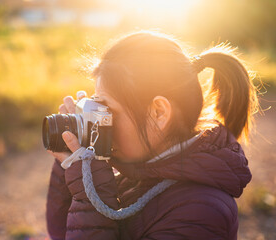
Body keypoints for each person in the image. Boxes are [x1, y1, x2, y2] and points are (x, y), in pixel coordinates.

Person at [45, 30, 260, 240]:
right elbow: (60, 231)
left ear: (159, 113)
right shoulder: (142, 170)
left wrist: (90, 195)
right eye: (96, 106)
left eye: (108, 110)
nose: (101, 122)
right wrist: (74, 162)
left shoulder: (200, 213)